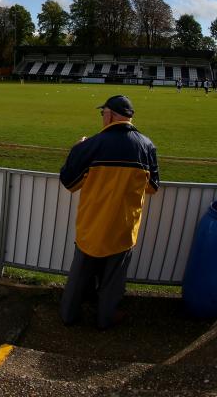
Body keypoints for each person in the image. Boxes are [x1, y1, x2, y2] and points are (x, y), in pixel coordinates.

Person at [59, 94, 159, 329]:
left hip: (92, 227)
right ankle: (105, 319)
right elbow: (153, 187)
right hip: (124, 229)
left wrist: (76, 150)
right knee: (113, 281)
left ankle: (68, 315)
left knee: (79, 277)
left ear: (111, 115)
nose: (101, 117)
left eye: (102, 113)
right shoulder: (146, 146)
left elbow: (69, 181)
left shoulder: (91, 145)